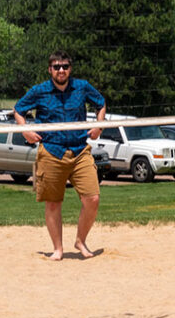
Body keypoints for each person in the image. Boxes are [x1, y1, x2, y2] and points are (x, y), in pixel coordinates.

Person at [14, 50, 107, 260]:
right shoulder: (40, 91)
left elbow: (101, 103)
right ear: (50, 70)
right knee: (53, 202)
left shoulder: (81, 87)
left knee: (92, 198)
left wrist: (99, 127)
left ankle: (80, 241)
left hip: (79, 150)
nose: (61, 70)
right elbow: (18, 110)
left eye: (65, 66)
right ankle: (58, 249)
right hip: (51, 150)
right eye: (57, 67)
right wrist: (25, 130)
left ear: (70, 68)